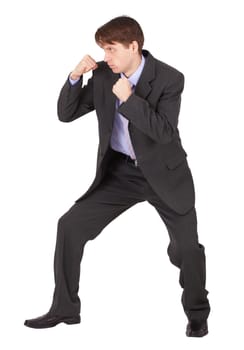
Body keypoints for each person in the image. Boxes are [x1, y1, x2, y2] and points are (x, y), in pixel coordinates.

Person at [24, 16, 210, 337]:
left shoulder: (169, 79)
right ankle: (65, 309)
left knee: (187, 250)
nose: (105, 57)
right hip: (121, 172)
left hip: (164, 174)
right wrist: (74, 78)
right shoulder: (102, 76)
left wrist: (129, 98)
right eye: (103, 50)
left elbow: (164, 133)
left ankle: (197, 313)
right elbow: (66, 115)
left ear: (133, 46)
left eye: (111, 50)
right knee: (69, 225)